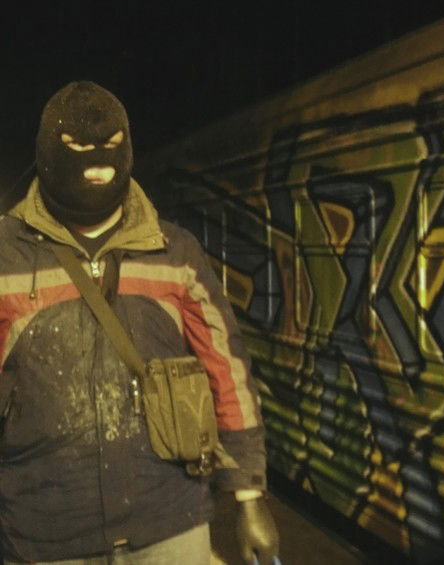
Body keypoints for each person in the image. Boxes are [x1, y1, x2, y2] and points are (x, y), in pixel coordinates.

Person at [0, 81, 279, 564]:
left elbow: (227, 371)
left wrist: (249, 495)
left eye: (111, 145)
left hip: (171, 522)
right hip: (44, 532)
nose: (98, 162)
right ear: (47, 152)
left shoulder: (176, 252)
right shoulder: (6, 257)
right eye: (76, 147)